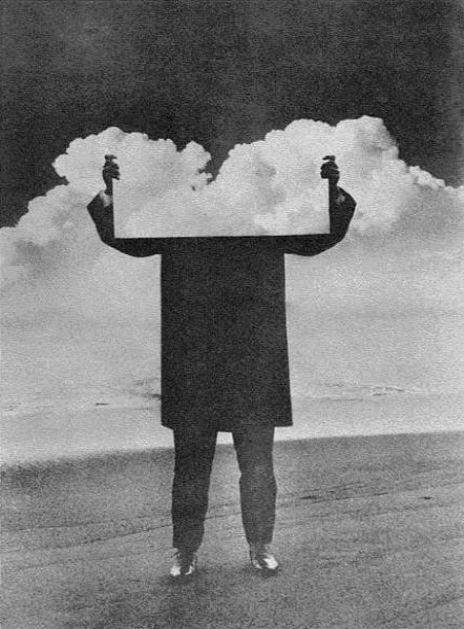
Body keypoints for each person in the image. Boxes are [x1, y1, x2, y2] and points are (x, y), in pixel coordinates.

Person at [87, 154, 355, 579]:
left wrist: (330, 192)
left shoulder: (266, 224)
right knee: (191, 467)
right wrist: (113, 194)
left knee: (258, 465)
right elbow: (126, 239)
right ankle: (184, 551)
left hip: (254, 361)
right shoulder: (178, 223)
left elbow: (319, 238)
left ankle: (260, 546)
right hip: (194, 362)